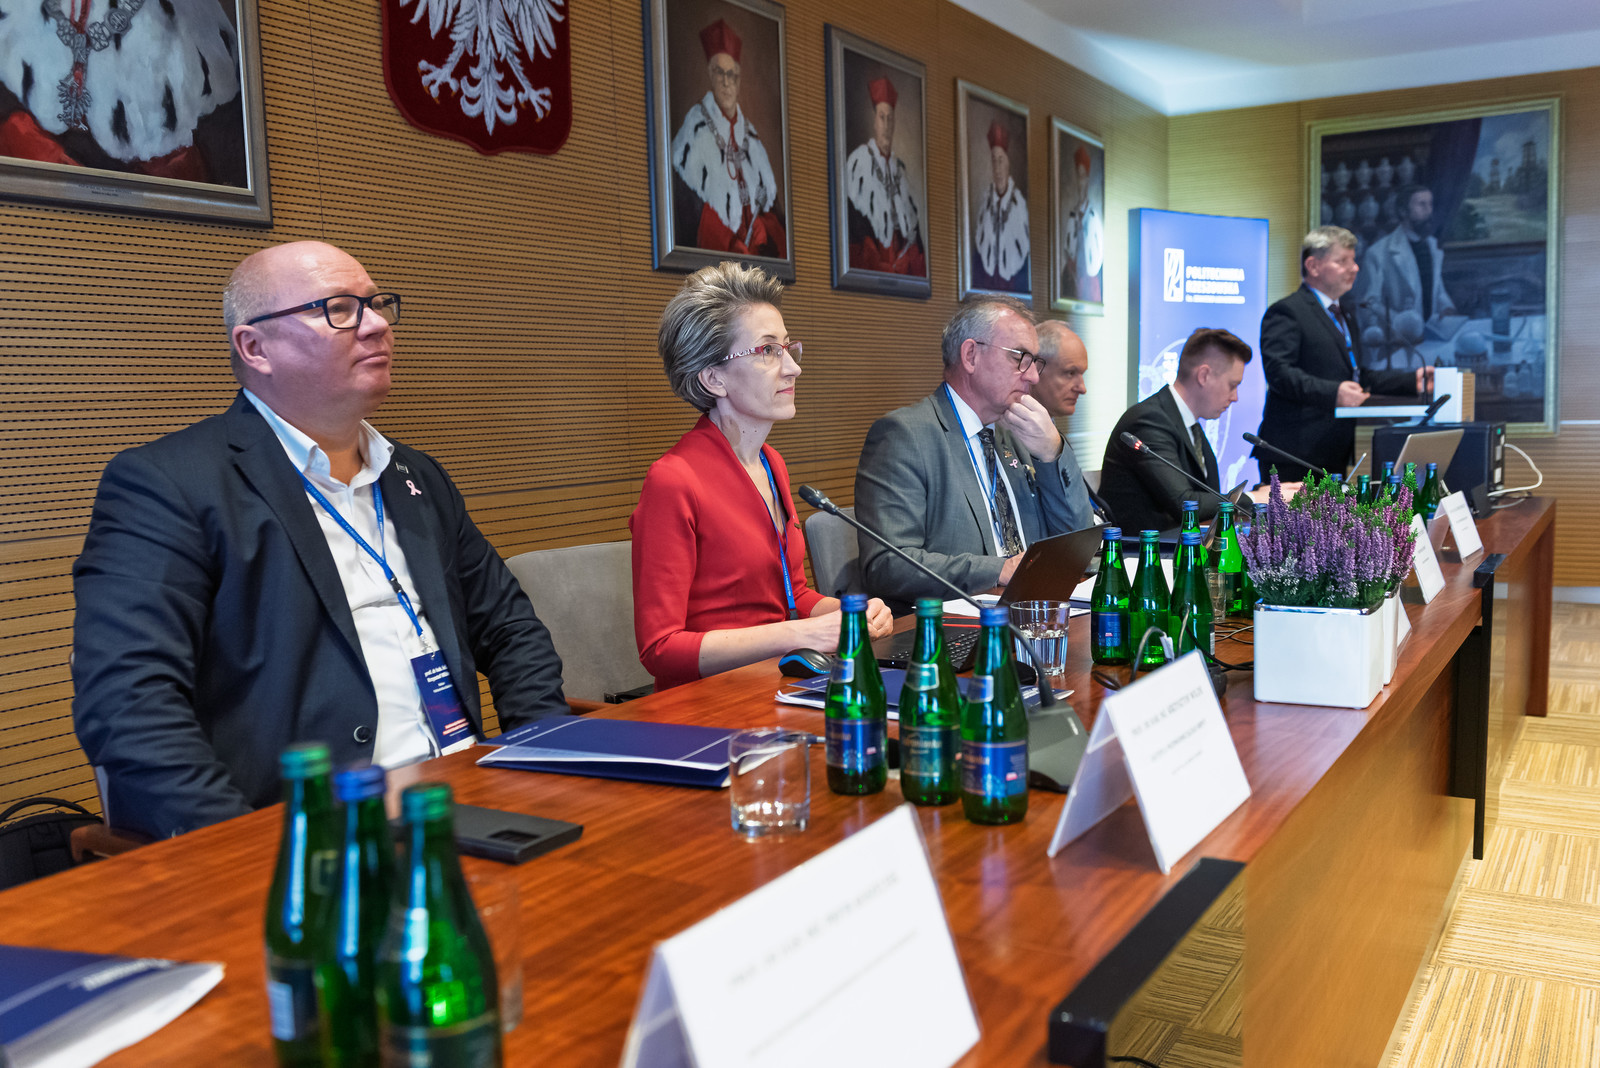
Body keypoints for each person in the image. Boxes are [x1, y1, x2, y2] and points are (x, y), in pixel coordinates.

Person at [71, 241, 570, 840]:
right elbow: (128, 703)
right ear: (255, 348)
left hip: (463, 801)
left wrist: (543, 759)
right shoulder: (169, 484)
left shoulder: (416, 476)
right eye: (338, 309)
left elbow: (510, 630)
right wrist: (249, 853)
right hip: (311, 834)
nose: (377, 325)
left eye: (377, 304)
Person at [631, 262, 891, 690]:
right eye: (768, 351)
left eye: (787, 348)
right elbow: (661, 649)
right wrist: (800, 634)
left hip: (779, 682)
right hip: (707, 703)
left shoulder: (772, 463)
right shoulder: (674, 480)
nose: (793, 368)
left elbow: (792, 596)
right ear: (714, 378)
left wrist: (848, 614)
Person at [854, 296, 1091, 612]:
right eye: (1020, 357)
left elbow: (1077, 548)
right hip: (957, 623)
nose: (1033, 376)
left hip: (1036, 611)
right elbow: (888, 564)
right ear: (970, 355)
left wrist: (1052, 454)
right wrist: (999, 569)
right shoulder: (905, 435)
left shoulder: (1019, 432)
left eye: (1035, 361)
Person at [1256, 226, 1430, 482]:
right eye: (1342, 261)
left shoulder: (1345, 314)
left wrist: (1411, 381)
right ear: (1313, 266)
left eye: (1354, 260)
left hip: (1334, 450)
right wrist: (1334, 393)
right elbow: (1279, 374)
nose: (1355, 268)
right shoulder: (1287, 312)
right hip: (1293, 452)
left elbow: (1356, 376)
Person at [1100, 328, 1256, 534]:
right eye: (1232, 385)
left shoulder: (1188, 424)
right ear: (1204, 375)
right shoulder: (1149, 420)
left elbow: (1207, 495)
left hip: (1181, 544)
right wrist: (1252, 498)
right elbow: (1184, 503)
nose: (1235, 397)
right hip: (1142, 549)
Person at [670, 19, 786, 258]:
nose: (725, 82)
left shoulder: (752, 139)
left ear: (739, 80)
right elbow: (688, 212)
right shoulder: (694, 132)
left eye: (731, 74)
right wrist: (729, 242)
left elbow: (775, 215)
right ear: (709, 75)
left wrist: (764, 227)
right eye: (719, 72)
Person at [1358, 184, 1457, 365]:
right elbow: (1368, 303)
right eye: (1421, 204)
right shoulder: (1378, 253)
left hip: (1431, 344)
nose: (1429, 211)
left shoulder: (1432, 247)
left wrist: (1446, 308)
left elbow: (1437, 290)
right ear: (1403, 211)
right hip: (1396, 348)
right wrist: (1402, 323)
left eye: (1430, 204)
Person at [843, 76, 925, 276]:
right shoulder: (859, 162)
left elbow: (913, 231)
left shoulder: (900, 170)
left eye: (890, 119)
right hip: (874, 256)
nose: (886, 125)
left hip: (901, 261)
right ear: (874, 121)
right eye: (882, 117)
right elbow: (853, 222)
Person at [972, 121, 1029, 291]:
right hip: (987, 282)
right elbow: (980, 246)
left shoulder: (1019, 204)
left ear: (1008, 163)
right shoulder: (985, 202)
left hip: (1012, 283)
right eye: (994, 161)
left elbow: (1024, 253)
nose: (997, 168)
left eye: (1001, 160)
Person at [1058, 144, 1103, 304]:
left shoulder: (1094, 217)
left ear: (1088, 179)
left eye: (1083, 176)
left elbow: (1098, 253)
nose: (1081, 182)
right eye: (1078, 176)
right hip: (1073, 279)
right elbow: (1067, 248)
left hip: (1089, 280)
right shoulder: (1072, 215)